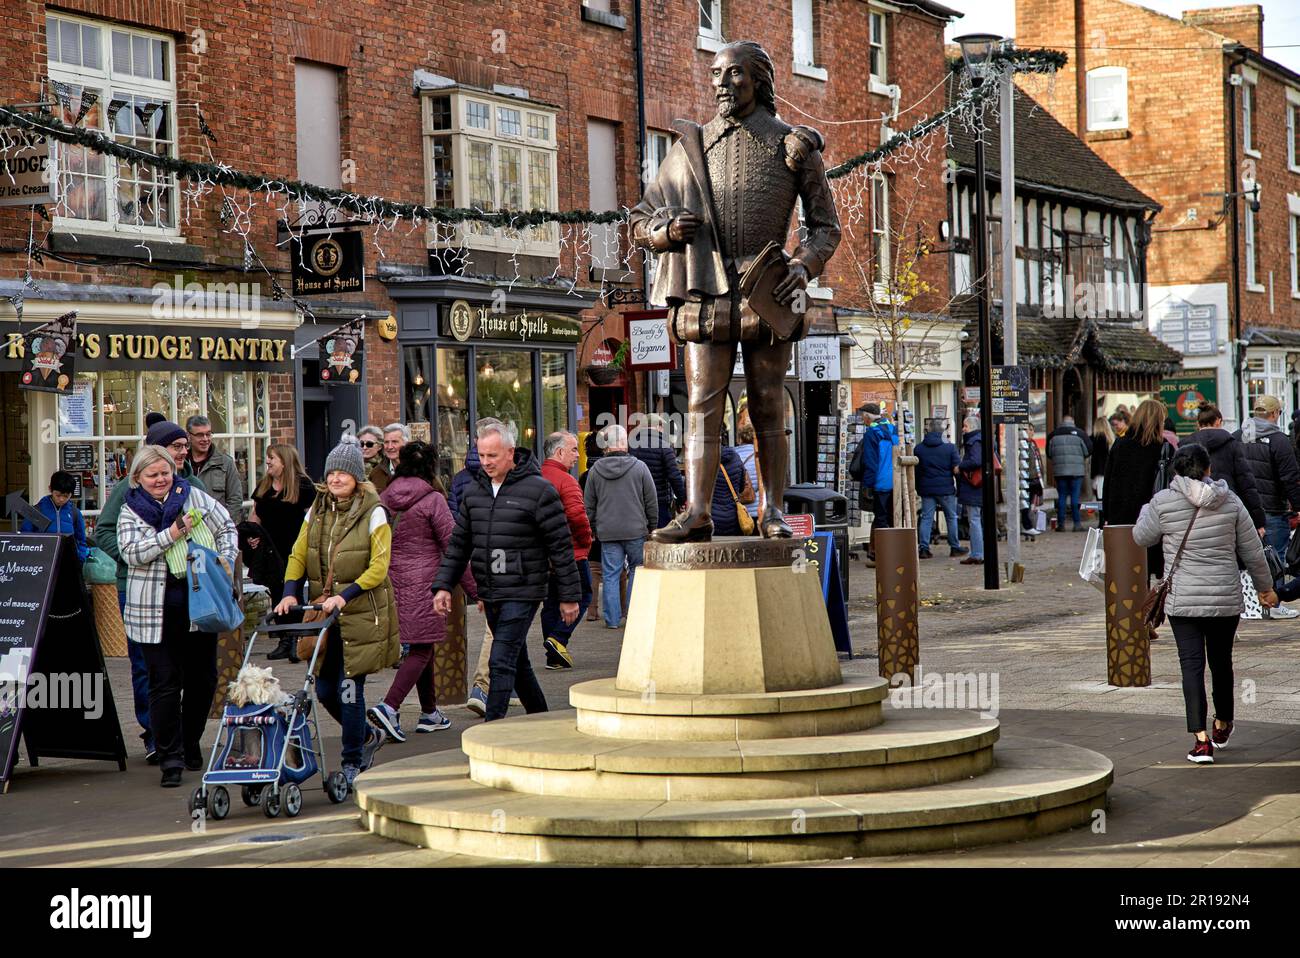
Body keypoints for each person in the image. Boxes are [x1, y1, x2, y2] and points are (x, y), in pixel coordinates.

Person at [630, 39, 840, 542]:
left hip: (766, 285)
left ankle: (771, 512)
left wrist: (805, 266)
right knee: (702, 400)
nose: (722, 84)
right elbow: (640, 218)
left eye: (734, 74)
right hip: (705, 284)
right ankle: (698, 509)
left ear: (759, 80)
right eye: (717, 74)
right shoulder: (691, 148)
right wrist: (664, 232)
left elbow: (825, 226)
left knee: (768, 401)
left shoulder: (792, 146)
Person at [1133, 443, 1276, 765]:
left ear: (1175, 470)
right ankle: (1223, 722)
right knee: (1221, 663)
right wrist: (1265, 589)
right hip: (1225, 598)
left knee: (1191, 666)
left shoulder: (1162, 502)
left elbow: (1142, 538)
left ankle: (1200, 741)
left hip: (1184, 600)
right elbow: (1253, 550)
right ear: (1208, 469)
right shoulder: (1231, 501)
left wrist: (1146, 509)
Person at [432, 419, 581, 722]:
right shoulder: (475, 491)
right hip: (491, 590)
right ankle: (542, 719)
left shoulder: (539, 490)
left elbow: (560, 545)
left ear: (511, 453)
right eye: (482, 455)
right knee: (519, 663)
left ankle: (492, 731)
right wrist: (444, 585)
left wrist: (569, 596)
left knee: (500, 661)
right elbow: (459, 543)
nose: (485, 462)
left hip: (525, 589)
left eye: (492, 456)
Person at [273, 435, 398, 789]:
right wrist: (288, 592)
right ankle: (369, 735)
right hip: (323, 614)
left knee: (348, 688)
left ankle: (351, 760)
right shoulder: (317, 509)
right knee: (326, 690)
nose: (335, 479)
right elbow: (298, 552)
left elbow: (379, 566)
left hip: (360, 614)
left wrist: (347, 596)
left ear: (357, 477)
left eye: (343, 474)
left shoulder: (374, 512)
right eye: (331, 474)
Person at [117, 445, 238, 787]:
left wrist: (224, 560)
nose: (160, 480)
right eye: (152, 475)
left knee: (203, 679)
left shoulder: (194, 497)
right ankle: (169, 757)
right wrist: (173, 533)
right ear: (138, 478)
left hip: (201, 604)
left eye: (165, 473)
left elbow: (227, 527)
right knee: (164, 683)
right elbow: (132, 553)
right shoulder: (131, 510)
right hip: (154, 611)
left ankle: (189, 740)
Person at [95, 419, 209, 765]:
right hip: (139, 589)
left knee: (195, 672)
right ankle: (155, 736)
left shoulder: (192, 484)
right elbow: (104, 532)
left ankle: (185, 738)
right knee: (149, 668)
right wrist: (133, 562)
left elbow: (219, 527)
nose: (182, 452)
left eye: (183, 446)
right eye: (176, 446)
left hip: (190, 589)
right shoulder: (128, 489)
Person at [369, 441, 477, 742]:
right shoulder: (433, 499)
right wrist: (475, 591)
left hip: (392, 581)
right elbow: (453, 546)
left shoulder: (384, 497)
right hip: (426, 582)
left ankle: (430, 713)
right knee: (421, 649)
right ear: (431, 465)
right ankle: (389, 706)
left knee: (421, 644)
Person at [584, 425, 658, 628]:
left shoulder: (595, 471)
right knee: (636, 570)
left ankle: (612, 619)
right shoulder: (640, 467)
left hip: (608, 531)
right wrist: (652, 526)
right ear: (625, 443)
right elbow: (651, 501)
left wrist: (593, 527)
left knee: (610, 574)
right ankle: (633, 614)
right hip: (636, 529)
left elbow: (588, 504)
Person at [1233, 395, 1300, 620]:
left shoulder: (1236, 437)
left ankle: (1250, 603)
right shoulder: (1279, 440)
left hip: (1243, 509)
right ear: (1273, 414)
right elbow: (1290, 477)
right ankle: (1274, 602)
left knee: (1246, 557)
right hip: (1272, 507)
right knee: (1274, 556)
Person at [540, 431, 593, 669]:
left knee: (551, 602)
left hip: (545, 554)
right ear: (559, 452)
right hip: (572, 552)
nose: (577, 455)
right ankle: (558, 639)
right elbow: (576, 516)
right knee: (583, 594)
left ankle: (554, 655)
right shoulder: (567, 481)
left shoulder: (537, 477)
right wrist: (586, 540)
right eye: (573, 450)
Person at [1177, 404, 1266, 531]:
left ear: (1198, 423)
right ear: (1218, 421)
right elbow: (1246, 483)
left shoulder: (1184, 447)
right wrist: (1258, 521)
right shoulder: (1231, 444)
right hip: (1226, 508)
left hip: (1192, 511)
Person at [248, 443, 316, 609]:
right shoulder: (264, 486)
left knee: (293, 594)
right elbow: (255, 516)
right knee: (277, 593)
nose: (267, 462)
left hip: (295, 551)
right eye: (267, 458)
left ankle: (296, 633)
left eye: (272, 458)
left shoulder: (304, 486)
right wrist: (252, 536)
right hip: (271, 553)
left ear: (285, 462)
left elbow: (314, 520)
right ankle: (283, 633)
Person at [914, 422, 966, 559]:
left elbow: (917, 472)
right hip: (946, 489)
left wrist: (918, 488)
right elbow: (956, 470)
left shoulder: (919, 449)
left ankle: (924, 548)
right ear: (942, 432)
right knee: (951, 517)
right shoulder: (949, 448)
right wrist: (960, 487)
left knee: (926, 518)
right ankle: (954, 546)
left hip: (926, 489)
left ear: (927, 431)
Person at [852, 403, 899, 545]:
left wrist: (868, 485)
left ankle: (883, 553)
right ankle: (891, 551)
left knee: (881, 519)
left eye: (862, 417)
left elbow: (870, 462)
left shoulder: (871, 434)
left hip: (880, 483)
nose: (862, 419)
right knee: (893, 518)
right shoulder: (894, 429)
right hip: (895, 482)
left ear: (867, 416)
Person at [629, 413, 686, 529]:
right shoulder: (665, 446)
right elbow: (674, 476)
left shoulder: (630, 445)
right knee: (660, 539)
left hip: (635, 501)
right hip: (659, 502)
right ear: (658, 426)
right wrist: (682, 500)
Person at [186, 414, 245, 522]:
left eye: (208, 434)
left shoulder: (226, 463)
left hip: (217, 529)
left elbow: (235, 500)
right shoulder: (182, 463)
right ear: (189, 436)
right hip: (188, 530)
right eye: (200, 435)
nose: (205, 439)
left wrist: (223, 525)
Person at [22, 470, 89, 562]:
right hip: (42, 562)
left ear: (71, 494)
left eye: (66, 496)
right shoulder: (36, 511)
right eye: (58, 495)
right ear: (50, 489)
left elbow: (81, 540)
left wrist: (80, 558)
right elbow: (25, 537)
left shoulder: (75, 513)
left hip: (69, 563)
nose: (61, 499)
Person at [1047, 415, 1091, 532]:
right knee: (1075, 498)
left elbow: (1049, 453)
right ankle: (1077, 524)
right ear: (1073, 422)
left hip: (1060, 472)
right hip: (1077, 471)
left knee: (1061, 497)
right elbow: (1088, 450)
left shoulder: (1053, 435)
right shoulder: (1080, 433)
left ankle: (1061, 524)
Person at [580, 431, 606, 624]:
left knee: (594, 567)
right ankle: (622, 609)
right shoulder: (605, 473)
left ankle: (592, 610)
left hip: (592, 525)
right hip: (610, 524)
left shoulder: (584, 477)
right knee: (617, 570)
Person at [956, 415, 985, 566]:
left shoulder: (973, 441)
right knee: (977, 519)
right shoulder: (981, 439)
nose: (963, 429)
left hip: (974, 486)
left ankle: (977, 553)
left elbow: (975, 461)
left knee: (974, 519)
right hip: (980, 486)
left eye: (965, 426)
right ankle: (979, 552)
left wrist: (961, 466)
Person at [710, 444, 754, 537]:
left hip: (712, 519)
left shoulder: (706, 460)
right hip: (733, 518)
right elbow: (742, 487)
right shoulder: (736, 457)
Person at [732, 420, 760, 520]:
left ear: (740, 439)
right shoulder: (761, 457)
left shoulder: (731, 456)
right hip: (757, 510)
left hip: (737, 512)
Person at [369, 423, 407, 495]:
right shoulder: (376, 473)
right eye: (386, 442)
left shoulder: (420, 470)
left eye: (394, 442)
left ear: (406, 443)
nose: (389, 447)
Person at [1090, 416, 1112, 502]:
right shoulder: (1110, 439)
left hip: (1099, 471)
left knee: (1100, 497)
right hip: (1108, 470)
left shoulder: (1097, 439)